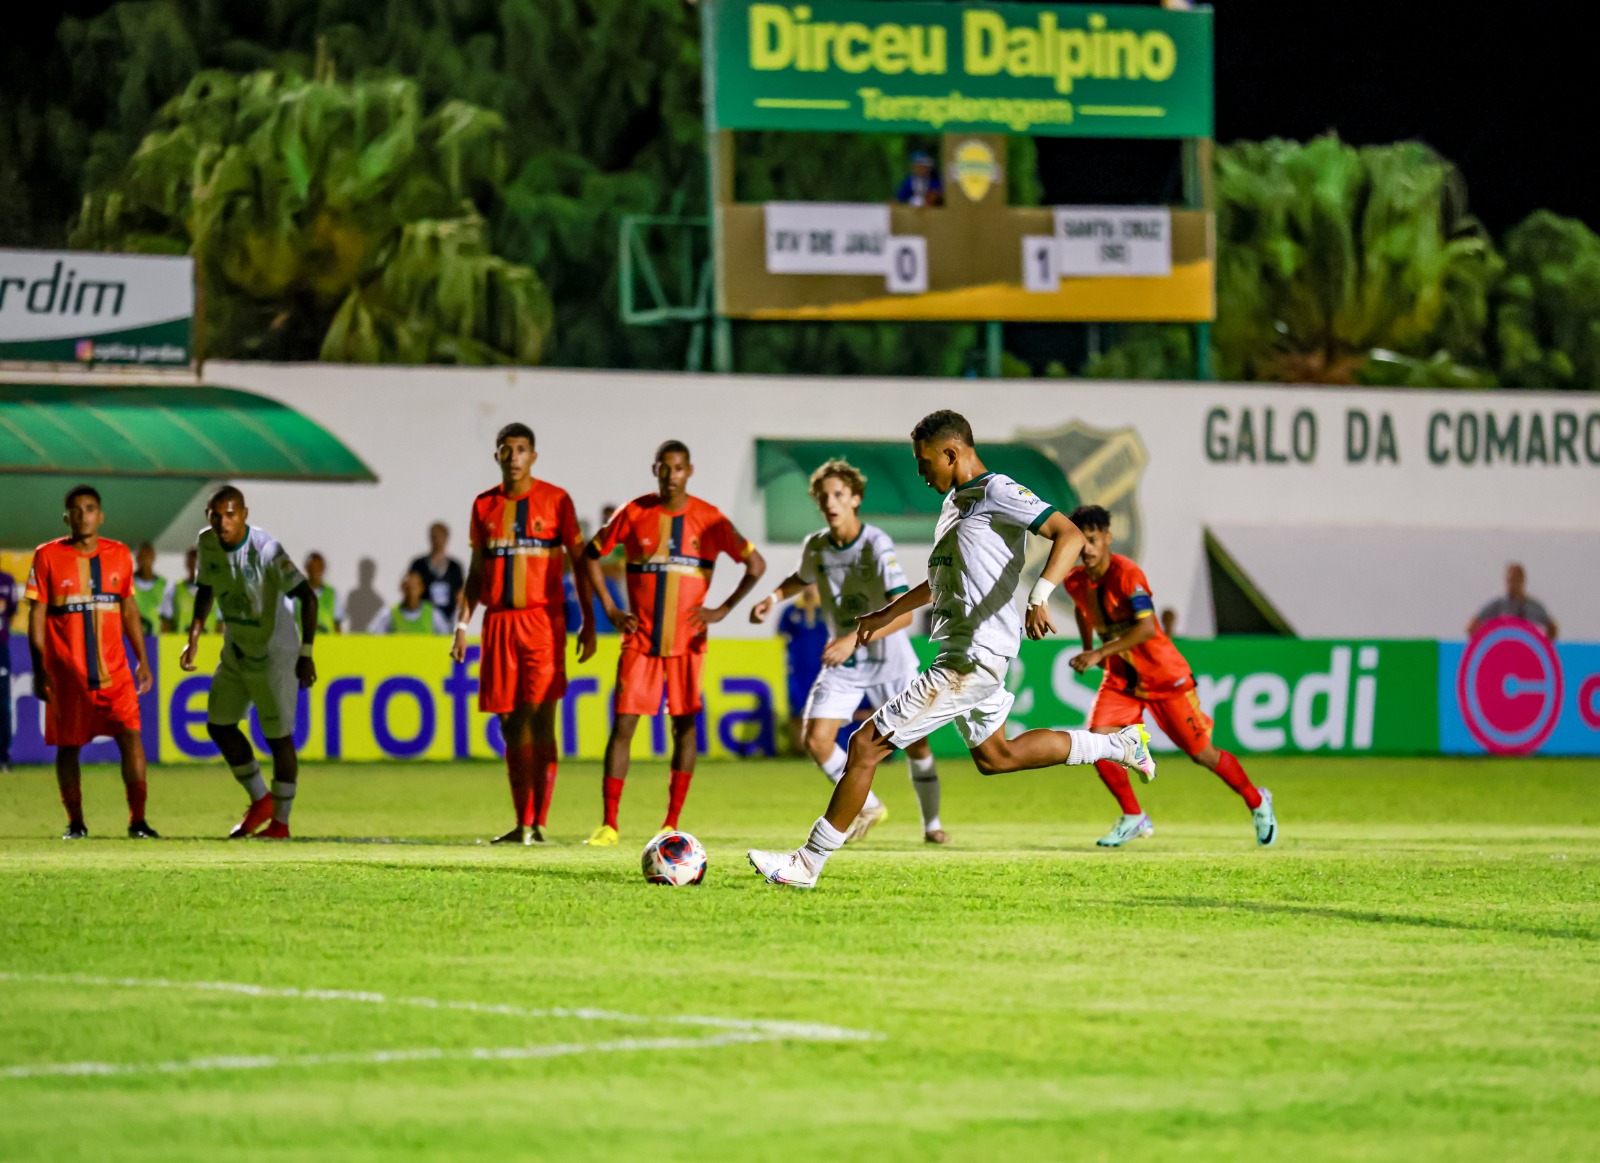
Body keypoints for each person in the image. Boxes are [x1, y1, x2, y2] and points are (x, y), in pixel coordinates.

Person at [748, 410, 1153, 888]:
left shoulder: (997, 491)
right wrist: (886, 614)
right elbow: (942, 581)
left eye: (925, 463)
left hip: (972, 658)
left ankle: (806, 863)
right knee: (997, 756)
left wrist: (1040, 595)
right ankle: (1118, 743)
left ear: (952, 452)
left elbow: (1066, 532)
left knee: (863, 746)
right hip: (964, 652)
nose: (921, 474)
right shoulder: (955, 504)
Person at [751, 458, 949, 844]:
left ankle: (932, 825)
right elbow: (801, 577)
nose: (830, 502)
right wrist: (773, 597)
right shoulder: (817, 546)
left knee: (917, 744)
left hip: (889, 661)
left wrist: (850, 638)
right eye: (823, 497)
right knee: (815, 740)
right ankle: (871, 805)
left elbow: (904, 616)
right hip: (847, 663)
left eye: (839, 494)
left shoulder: (876, 544)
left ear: (855, 499)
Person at [582, 440, 766, 846]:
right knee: (624, 725)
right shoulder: (634, 513)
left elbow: (756, 565)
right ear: (655, 470)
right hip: (640, 638)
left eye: (678, 468)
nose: (671, 475)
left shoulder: (709, 518)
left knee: (684, 725)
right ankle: (609, 824)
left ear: (690, 471)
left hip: (688, 642)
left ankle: (671, 821)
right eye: (664, 468)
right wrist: (611, 609)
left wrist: (721, 610)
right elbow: (589, 554)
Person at [1064, 505, 1277, 849]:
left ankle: (1257, 800)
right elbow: (1081, 607)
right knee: (1098, 741)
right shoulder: (1075, 581)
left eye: (1091, 540)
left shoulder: (1127, 574)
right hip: (1121, 680)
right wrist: (1089, 646)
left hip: (1165, 679)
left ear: (1107, 538)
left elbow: (1147, 628)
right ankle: (1134, 816)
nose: (1086, 549)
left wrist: (1099, 652)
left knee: (1202, 754)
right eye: (1079, 542)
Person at [452, 423, 596, 845]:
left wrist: (589, 620)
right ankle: (522, 822)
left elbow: (580, 562)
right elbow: (477, 573)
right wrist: (462, 625)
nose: (513, 456)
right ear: (496, 456)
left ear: (533, 456)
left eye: (521, 449)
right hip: (498, 623)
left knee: (540, 717)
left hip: (542, 622)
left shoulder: (556, 501)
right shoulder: (484, 506)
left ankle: (536, 821)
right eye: (506, 450)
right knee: (510, 724)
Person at [180, 485, 319, 840]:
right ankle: (261, 800)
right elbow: (207, 587)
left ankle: (281, 823)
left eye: (230, 514)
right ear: (207, 515)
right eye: (216, 514)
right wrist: (194, 636)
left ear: (244, 514)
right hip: (237, 648)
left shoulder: (266, 551)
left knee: (279, 739)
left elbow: (308, 596)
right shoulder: (207, 542)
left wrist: (306, 653)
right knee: (219, 725)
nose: (222, 521)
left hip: (275, 654)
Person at [24, 485, 157, 838]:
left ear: (101, 515)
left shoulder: (119, 554)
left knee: (131, 738)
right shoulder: (47, 556)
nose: (83, 515)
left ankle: (138, 821)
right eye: (76, 510)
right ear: (67, 517)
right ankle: (76, 823)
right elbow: (37, 615)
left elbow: (129, 608)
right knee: (69, 748)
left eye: (90, 508)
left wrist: (142, 659)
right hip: (69, 676)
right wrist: (39, 669)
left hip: (115, 673)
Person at [775, 585, 828, 757]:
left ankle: (819, 747)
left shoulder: (827, 610)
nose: (810, 588)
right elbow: (781, 635)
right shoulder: (791, 611)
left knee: (821, 709)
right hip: (798, 668)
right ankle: (797, 748)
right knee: (797, 708)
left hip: (823, 667)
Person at [1468, 563, 1557, 639]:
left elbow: (1552, 629)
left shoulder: (1534, 606)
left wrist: (1542, 644)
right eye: (1509, 580)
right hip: (1504, 652)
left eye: (1515, 580)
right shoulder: (1498, 606)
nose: (1512, 584)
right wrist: (1487, 642)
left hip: (1527, 653)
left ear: (1523, 580)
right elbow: (1471, 627)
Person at [411, 522, 465, 621]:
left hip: (448, 616)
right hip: (424, 617)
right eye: (434, 536)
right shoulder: (419, 565)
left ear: (447, 538)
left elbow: (460, 593)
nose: (437, 540)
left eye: (440, 536)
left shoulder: (454, 567)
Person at [369, 570, 451, 634]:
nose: (411, 592)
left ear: (421, 589)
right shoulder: (389, 613)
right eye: (407, 588)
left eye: (414, 588)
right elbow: (372, 636)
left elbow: (447, 637)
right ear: (401, 588)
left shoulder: (432, 613)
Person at [168, 546, 219, 634]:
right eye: (191, 563)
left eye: (197, 564)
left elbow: (220, 623)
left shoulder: (216, 590)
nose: (194, 568)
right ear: (186, 564)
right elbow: (167, 622)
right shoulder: (175, 589)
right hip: (180, 644)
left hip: (210, 645)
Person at [130, 541, 171, 638]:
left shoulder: (164, 585)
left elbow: (166, 619)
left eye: (147, 556)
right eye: (142, 556)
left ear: (153, 558)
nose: (144, 560)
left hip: (155, 639)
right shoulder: (128, 583)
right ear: (137, 558)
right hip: (131, 639)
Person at [300, 551, 344, 634]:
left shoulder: (333, 594)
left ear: (324, 569)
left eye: (319, 567)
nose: (316, 571)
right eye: (312, 567)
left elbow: (337, 626)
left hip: (326, 645)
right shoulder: (296, 594)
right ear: (306, 568)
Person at [1, 564, 17, 772]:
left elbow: (11, 613)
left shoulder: (6, 581)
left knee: (2, 704)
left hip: (0, 649)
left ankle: (3, 756)